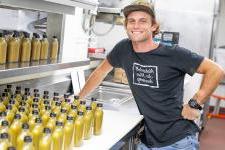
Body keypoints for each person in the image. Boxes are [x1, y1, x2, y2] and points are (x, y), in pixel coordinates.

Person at [78, 1, 225, 149]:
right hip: (148, 141)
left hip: (178, 141)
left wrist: (195, 103)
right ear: (126, 26)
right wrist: (78, 99)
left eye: (143, 21)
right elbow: (101, 71)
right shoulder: (123, 49)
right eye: (131, 21)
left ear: (153, 26)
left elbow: (216, 70)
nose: (136, 26)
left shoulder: (172, 53)